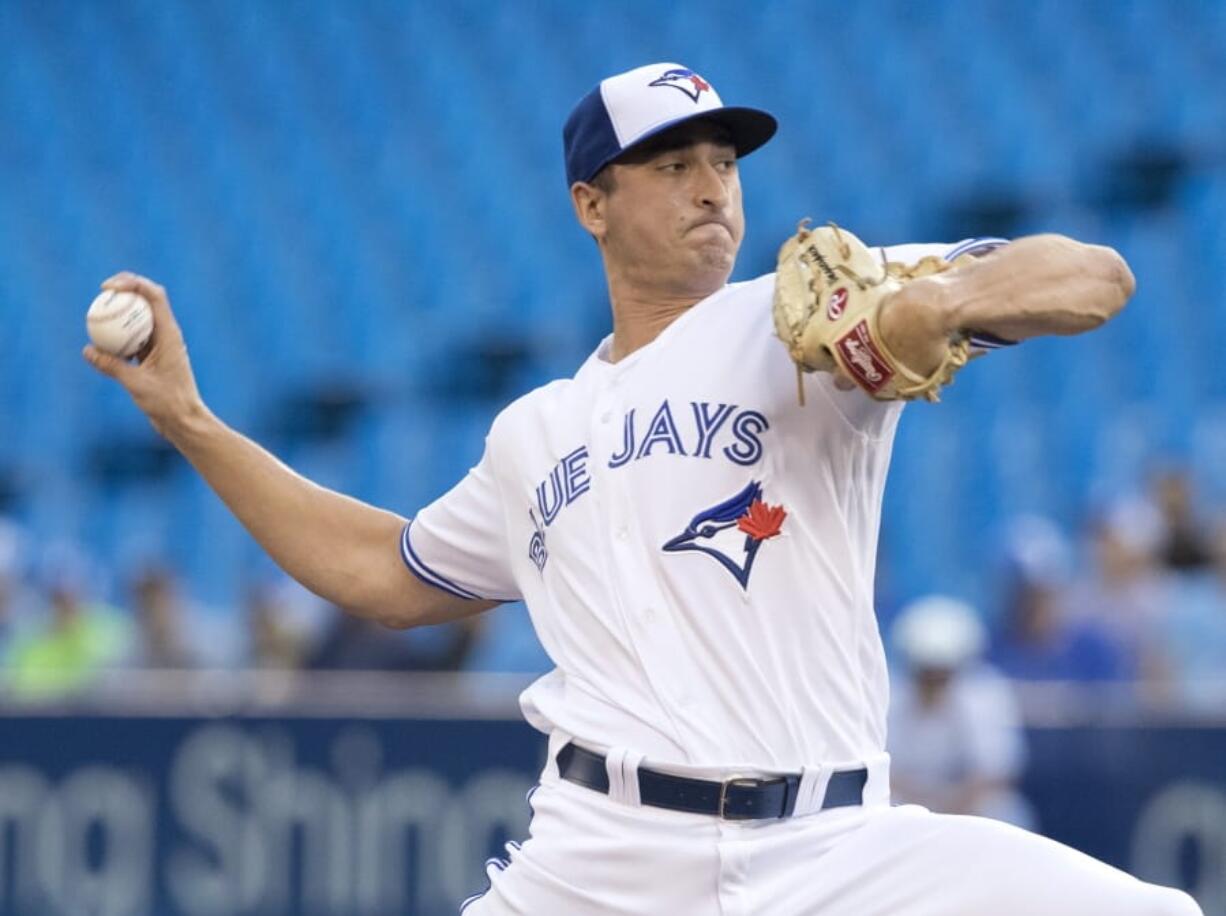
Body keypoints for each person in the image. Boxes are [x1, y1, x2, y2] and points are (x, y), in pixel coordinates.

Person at [84, 62, 1199, 915]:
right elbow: (382, 574)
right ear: (591, 205)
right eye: (673, 167)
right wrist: (187, 418)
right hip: (597, 859)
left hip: (832, 854)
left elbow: (1093, 277)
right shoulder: (536, 433)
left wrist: (930, 307)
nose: (712, 187)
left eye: (724, 162)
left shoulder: (797, 312)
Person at [888, 595, 1035, 830]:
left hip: (967, 803)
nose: (933, 682)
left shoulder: (987, 693)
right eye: (926, 672)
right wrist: (922, 807)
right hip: (907, 804)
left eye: (942, 672)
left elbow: (997, 774)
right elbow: (884, 774)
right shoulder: (890, 694)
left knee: (1004, 811)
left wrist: (952, 808)